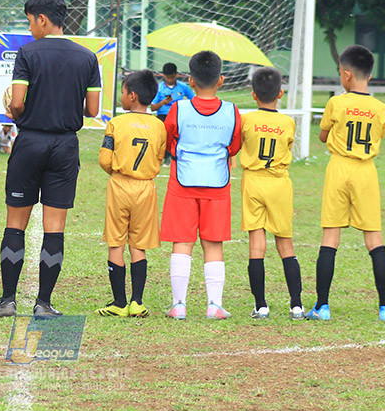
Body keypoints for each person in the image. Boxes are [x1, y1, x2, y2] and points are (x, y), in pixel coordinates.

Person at [0, 0, 101, 317]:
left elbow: (17, 102)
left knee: (15, 223)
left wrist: (18, 113)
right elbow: (92, 109)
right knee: (54, 228)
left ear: (42, 19)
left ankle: (8, 300)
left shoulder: (27, 53)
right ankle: (44, 304)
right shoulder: (87, 58)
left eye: (30, 22)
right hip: (65, 146)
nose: (30, 29)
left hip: (31, 142)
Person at [307, 44, 385, 321]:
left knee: (330, 237)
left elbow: (323, 136)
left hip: (338, 168)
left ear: (346, 74)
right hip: (365, 171)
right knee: (374, 238)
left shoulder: (336, 102)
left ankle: (322, 306)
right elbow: (378, 134)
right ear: (368, 76)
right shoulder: (380, 108)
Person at [160, 51, 242, 321]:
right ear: (221, 80)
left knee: (182, 243)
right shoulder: (232, 111)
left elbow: (170, 140)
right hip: (217, 186)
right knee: (213, 244)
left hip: (182, 183)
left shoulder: (178, 109)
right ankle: (214, 305)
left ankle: (179, 305)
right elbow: (234, 146)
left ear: (190, 81)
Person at [95, 70, 166, 318]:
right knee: (139, 245)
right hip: (146, 188)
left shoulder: (116, 123)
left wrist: (116, 170)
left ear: (132, 95)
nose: (121, 96)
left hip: (120, 185)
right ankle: (137, 302)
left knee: (116, 243)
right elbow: (159, 156)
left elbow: (105, 159)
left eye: (123, 92)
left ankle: (118, 303)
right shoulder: (159, 126)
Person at [240, 67, 304, 320]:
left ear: (254, 95)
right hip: (279, 183)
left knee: (257, 245)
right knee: (285, 244)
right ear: (281, 93)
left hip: (253, 182)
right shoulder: (288, 122)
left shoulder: (246, 120)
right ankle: (296, 305)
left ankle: (261, 305)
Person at [150, 62, 195, 165]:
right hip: (163, 116)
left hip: (179, 115)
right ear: (164, 76)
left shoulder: (183, 87)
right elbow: (152, 107)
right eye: (168, 78)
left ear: (176, 75)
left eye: (172, 77)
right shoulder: (159, 88)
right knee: (163, 133)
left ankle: (177, 157)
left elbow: (194, 100)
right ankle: (163, 157)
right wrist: (163, 102)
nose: (170, 80)